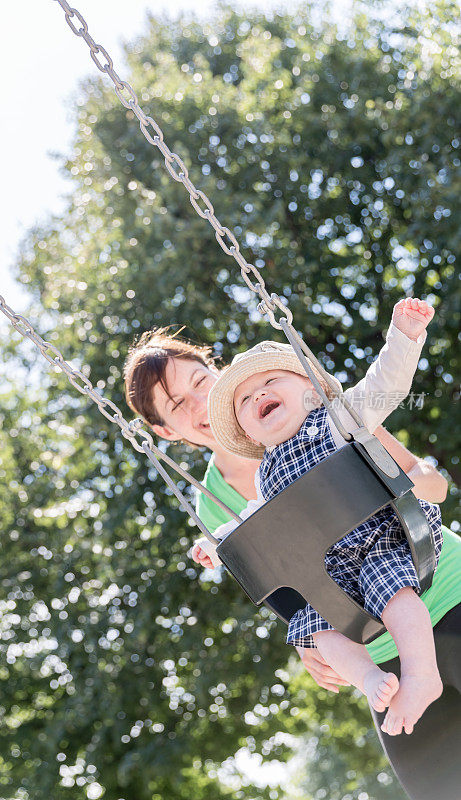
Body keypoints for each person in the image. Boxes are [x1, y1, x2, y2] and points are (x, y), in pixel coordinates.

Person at [123, 323, 460, 799]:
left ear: (217, 371)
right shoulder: (213, 504)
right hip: (382, 655)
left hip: (445, 586)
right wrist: (309, 648)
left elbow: (432, 484)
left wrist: (401, 485)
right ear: (164, 430)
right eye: (178, 405)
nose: (199, 405)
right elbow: (286, 588)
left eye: (200, 382)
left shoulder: (319, 413)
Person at [200, 297, 442, 736]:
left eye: (271, 381)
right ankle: (370, 680)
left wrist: (404, 336)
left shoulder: (336, 420)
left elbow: (384, 383)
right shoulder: (266, 475)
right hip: (333, 574)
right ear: (248, 434)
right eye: (246, 401)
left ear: (312, 389)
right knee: (315, 629)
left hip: (383, 540)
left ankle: (422, 673)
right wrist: (215, 545)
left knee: (395, 593)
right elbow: (253, 524)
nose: (259, 395)